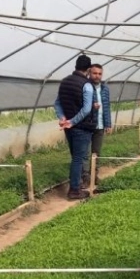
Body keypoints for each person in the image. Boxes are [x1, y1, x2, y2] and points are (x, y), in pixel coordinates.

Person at [53, 55, 97, 200]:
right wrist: (72, 121)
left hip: (69, 128)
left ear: (75, 66)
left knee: (75, 157)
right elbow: (86, 109)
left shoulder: (64, 82)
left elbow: (57, 103)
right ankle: (74, 190)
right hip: (81, 127)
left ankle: (76, 184)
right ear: (89, 69)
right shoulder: (87, 85)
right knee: (78, 158)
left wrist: (62, 118)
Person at [82, 64, 112, 186]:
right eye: (95, 73)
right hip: (87, 125)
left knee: (96, 153)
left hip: (100, 125)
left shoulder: (105, 89)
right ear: (89, 73)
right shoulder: (85, 87)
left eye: (99, 73)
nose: (97, 76)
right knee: (85, 153)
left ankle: (94, 175)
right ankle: (85, 178)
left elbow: (107, 107)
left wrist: (108, 124)